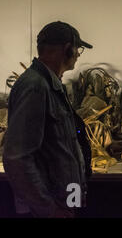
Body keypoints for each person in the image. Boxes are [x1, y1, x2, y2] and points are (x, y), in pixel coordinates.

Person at [3, 21, 93, 218]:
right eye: (78, 49)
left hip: (68, 201)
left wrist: (74, 204)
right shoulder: (35, 87)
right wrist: (49, 210)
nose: (78, 55)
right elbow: (16, 158)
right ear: (68, 49)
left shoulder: (53, 85)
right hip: (50, 208)